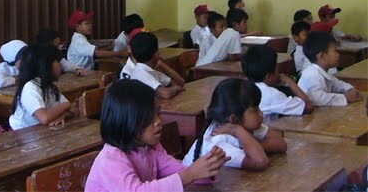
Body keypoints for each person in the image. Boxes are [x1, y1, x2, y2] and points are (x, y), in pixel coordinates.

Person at [84, 79, 229, 192]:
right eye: (149, 118)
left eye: (157, 114)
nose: (158, 122)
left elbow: (178, 171)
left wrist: (206, 169)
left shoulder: (151, 148)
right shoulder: (111, 158)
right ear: (126, 122)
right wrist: (190, 174)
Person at [183, 78, 286, 171]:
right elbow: (260, 161)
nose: (261, 113)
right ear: (233, 118)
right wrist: (237, 130)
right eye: (255, 110)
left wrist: (249, 148)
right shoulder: (218, 143)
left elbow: (281, 144)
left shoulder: (241, 123)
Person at [9, 44, 79, 130]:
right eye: (56, 62)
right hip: (22, 134)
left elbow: (75, 110)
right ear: (45, 65)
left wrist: (65, 115)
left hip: (42, 132)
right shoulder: (30, 87)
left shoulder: (49, 87)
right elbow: (44, 118)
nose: (59, 66)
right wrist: (66, 105)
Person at [242, 45, 313, 122]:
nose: (279, 73)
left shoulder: (244, 86)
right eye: (277, 69)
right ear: (269, 76)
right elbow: (308, 106)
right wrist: (290, 82)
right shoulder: (271, 94)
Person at [298, 32, 362, 106]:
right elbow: (317, 99)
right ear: (321, 56)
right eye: (335, 51)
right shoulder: (311, 74)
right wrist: (345, 97)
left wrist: (350, 89)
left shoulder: (323, 72)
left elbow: (337, 84)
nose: (338, 54)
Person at [129, 32, 185, 98]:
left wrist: (161, 65)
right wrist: (176, 89)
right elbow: (166, 93)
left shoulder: (151, 71)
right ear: (157, 54)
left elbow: (180, 82)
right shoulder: (140, 73)